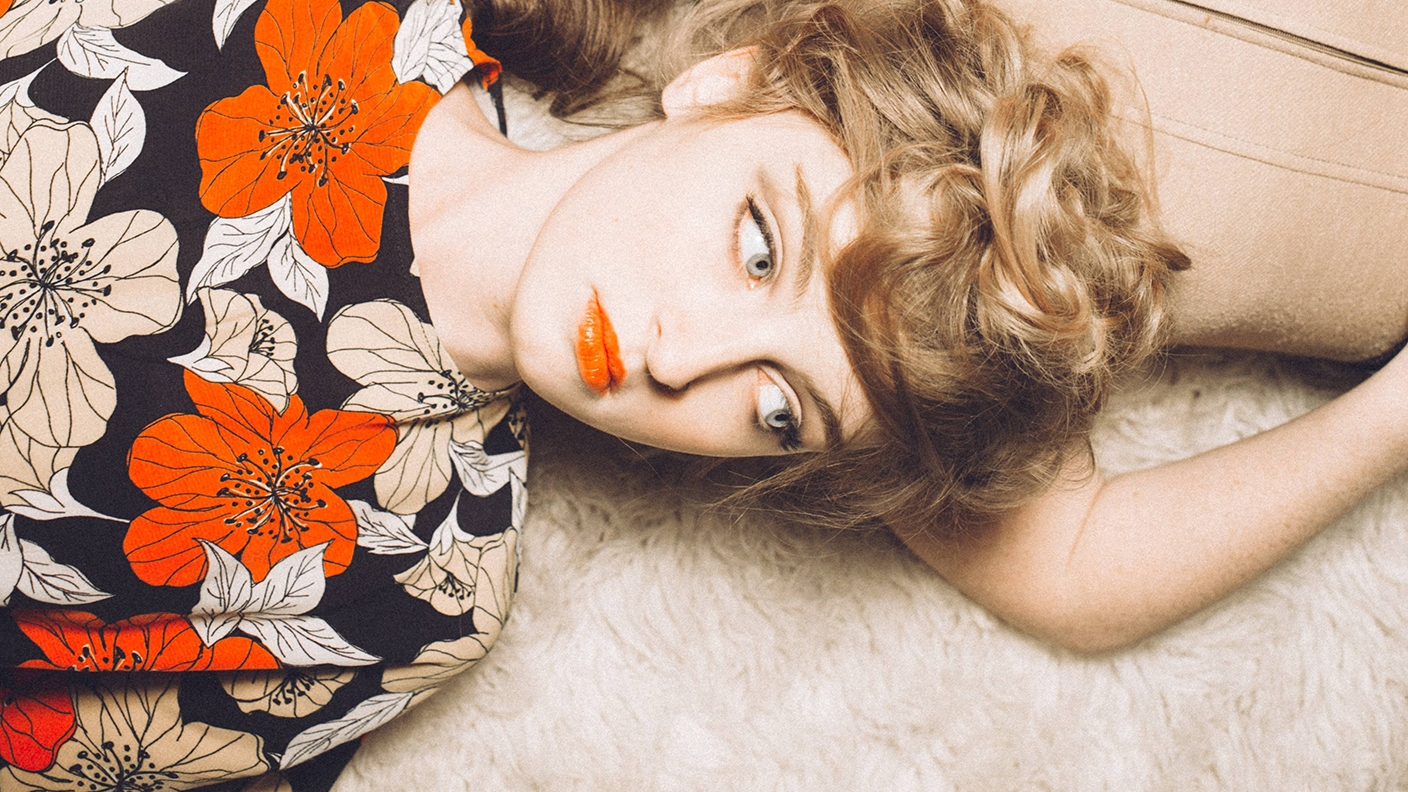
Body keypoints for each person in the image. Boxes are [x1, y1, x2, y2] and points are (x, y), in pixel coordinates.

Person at [0, 0, 1403, 790]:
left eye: (782, 407)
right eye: (757, 243)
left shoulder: (419, 592)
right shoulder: (315, 15)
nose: (685, 360)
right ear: (722, 86)